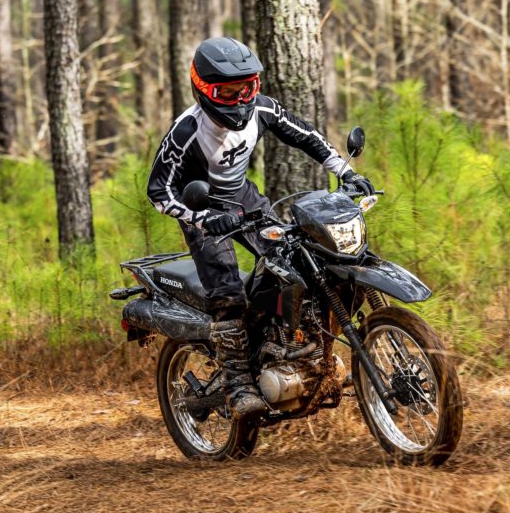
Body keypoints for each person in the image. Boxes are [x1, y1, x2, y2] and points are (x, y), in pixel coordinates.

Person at [146, 37, 375, 417]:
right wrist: (201, 218)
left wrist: (345, 171)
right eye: (227, 92)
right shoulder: (186, 131)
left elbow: (306, 135)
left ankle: (296, 351)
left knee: (297, 265)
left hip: (244, 199)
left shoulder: (263, 108)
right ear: (203, 89)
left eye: (246, 88)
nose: (239, 99)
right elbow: (158, 192)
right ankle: (238, 384)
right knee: (228, 294)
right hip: (202, 210)